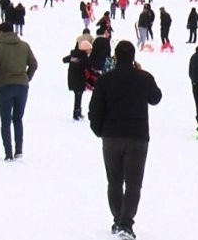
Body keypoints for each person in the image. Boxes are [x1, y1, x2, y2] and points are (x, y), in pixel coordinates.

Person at [89, 41, 163, 239]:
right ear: (133, 57)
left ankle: (117, 220)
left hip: (111, 136)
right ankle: (126, 223)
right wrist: (142, 74)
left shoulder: (105, 79)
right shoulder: (143, 77)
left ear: (115, 56)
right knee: (133, 183)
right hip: (137, 137)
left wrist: (100, 131)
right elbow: (156, 98)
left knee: (114, 182)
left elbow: (94, 109)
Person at [0, 22, 38, 161]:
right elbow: (34, 64)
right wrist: (26, 78)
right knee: (18, 118)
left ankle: (8, 152)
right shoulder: (24, 45)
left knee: (5, 120)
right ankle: (19, 150)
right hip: (22, 86)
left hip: (4, 86)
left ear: (1, 32)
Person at [64, 40, 94, 120]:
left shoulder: (73, 55)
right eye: (89, 49)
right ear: (85, 49)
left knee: (78, 96)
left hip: (72, 78)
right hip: (79, 79)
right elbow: (89, 67)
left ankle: (78, 112)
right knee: (78, 96)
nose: (90, 51)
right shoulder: (83, 57)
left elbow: (64, 59)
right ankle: (76, 114)